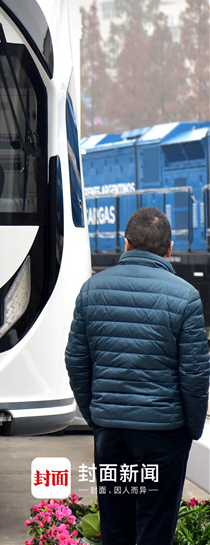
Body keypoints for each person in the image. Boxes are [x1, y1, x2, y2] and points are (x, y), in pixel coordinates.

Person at [65, 206, 209, 545]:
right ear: (170, 249)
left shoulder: (92, 290)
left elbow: (76, 362)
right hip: (164, 435)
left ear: (125, 243)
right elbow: (195, 374)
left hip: (112, 434)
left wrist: (98, 417)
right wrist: (189, 428)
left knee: (116, 528)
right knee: (155, 531)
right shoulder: (185, 297)